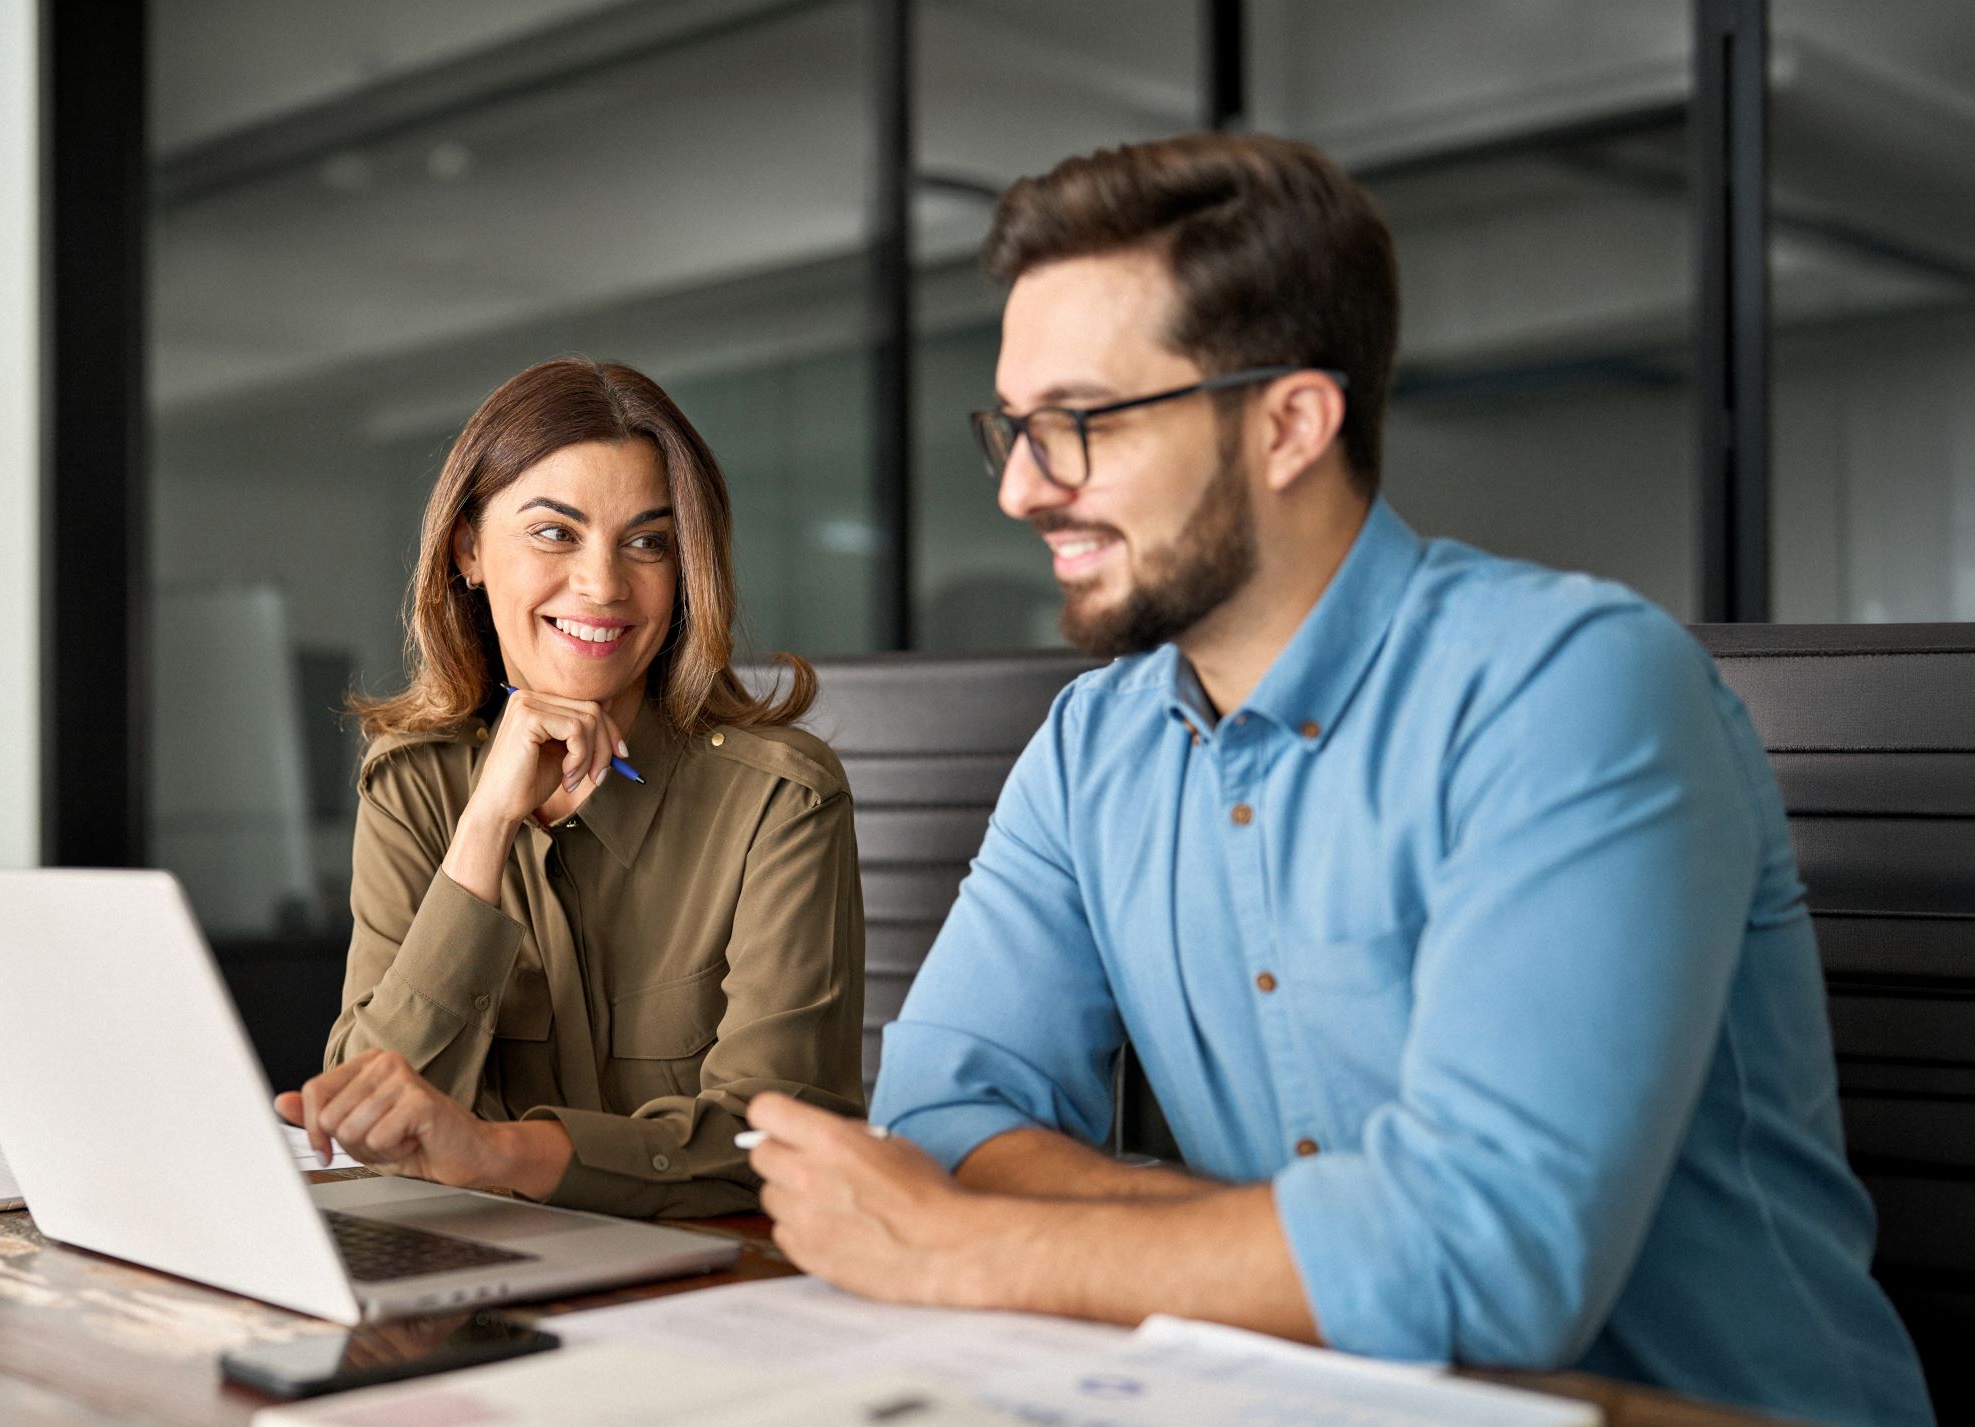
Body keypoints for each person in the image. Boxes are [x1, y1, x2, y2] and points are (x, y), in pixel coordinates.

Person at [742, 133, 1932, 1426]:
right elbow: (938, 1112)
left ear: (1289, 422)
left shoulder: (1574, 685)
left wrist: (974, 1245)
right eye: (1014, 429)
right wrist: (1315, 1246)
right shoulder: (1094, 743)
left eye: (1077, 422)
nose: (1026, 487)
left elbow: (1486, 1267)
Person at [275, 356, 865, 1218]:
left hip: (714, 1280)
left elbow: (768, 1138)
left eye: (648, 542)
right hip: (472, 1267)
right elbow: (372, 1114)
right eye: (555, 532)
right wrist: (485, 827)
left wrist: (495, 1151)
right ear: (468, 549)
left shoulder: (778, 800)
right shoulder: (413, 783)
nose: (601, 584)